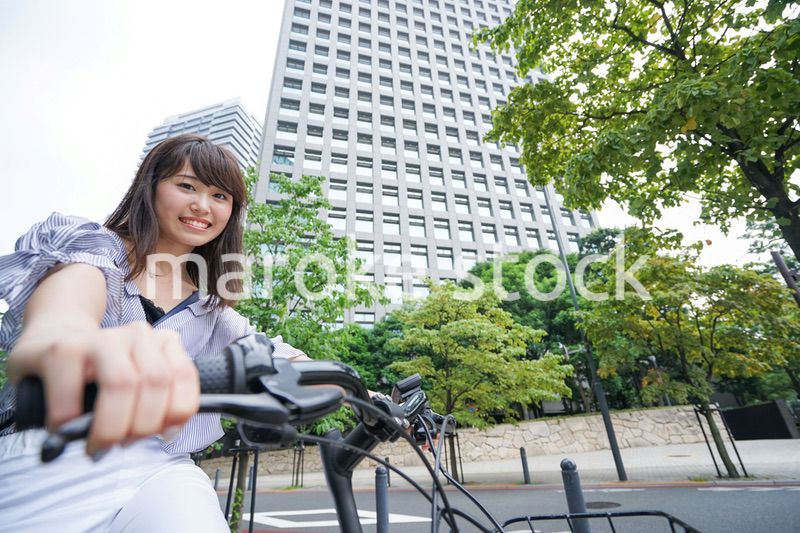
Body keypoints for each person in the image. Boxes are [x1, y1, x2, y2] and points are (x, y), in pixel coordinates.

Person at [0, 134, 308, 532]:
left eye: (219, 195)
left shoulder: (212, 309)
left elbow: (274, 353)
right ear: (151, 187)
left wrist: (361, 393)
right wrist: (70, 343)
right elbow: (66, 313)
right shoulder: (97, 249)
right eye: (186, 186)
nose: (202, 205)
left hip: (159, 467)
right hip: (49, 449)